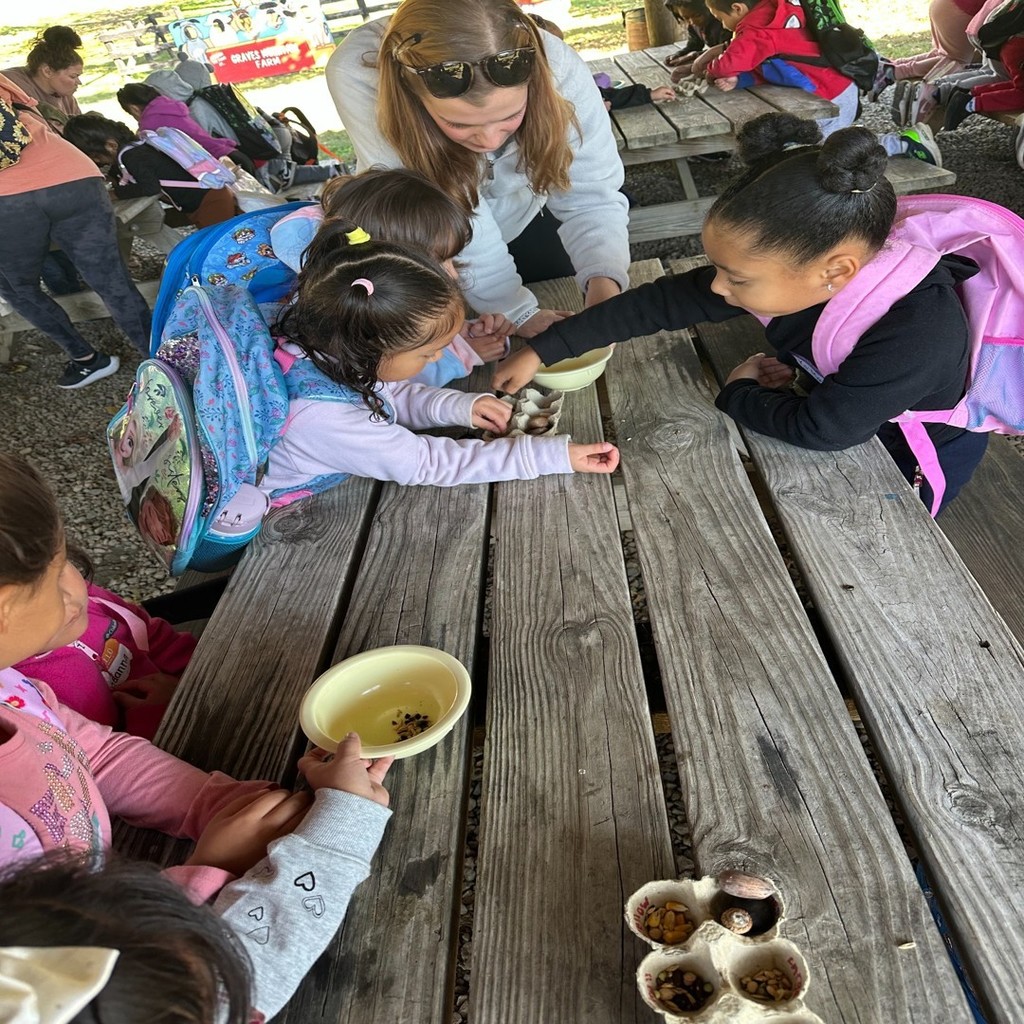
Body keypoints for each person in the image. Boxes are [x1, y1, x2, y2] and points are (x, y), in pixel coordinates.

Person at [0, 451, 394, 1021]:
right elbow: (187, 989)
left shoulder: (11, 683)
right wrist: (208, 871)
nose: (79, 582)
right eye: (59, 566)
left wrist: (215, 804)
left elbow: (90, 752)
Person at [493, 114, 989, 515]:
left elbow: (825, 429)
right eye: (718, 269)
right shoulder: (801, 270)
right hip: (851, 403)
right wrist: (545, 348)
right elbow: (661, 302)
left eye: (736, 277)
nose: (716, 286)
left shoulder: (917, 334)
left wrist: (738, 392)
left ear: (833, 272)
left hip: (911, 455)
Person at [326, 0, 631, 340]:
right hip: (430, 238)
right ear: (412, 96)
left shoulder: (557, 64)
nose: (488, 140)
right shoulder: (357, 72)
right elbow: (443, 208)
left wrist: (605, 287)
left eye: (510, 118)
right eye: (457, 123)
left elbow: (592, 196)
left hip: (523, 211)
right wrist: (517, 310)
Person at [256, 224, 619, 504]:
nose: (435, 358)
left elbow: (384, 395)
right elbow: (430, 463)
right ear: (370, 349)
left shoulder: (322, 340)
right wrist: (551, 456)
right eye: (426, 354)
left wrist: (462, 406)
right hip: (281, 509)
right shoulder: (322, 418)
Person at [270, 167, 513, 383]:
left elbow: (406, 336)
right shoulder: (343, 314)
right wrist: (464, 355)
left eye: (452, 259)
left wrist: (460, 332)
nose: (453, 276)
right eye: (441, 261)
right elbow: (393, 376)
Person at [0, 75, 151, 388]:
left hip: (10, 197)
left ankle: (86, 359)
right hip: (76, 175)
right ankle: (160, 358)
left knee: (18, 287)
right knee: (112, 280)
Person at [700, 0, 944, 163]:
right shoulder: (777, 12)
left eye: (719, 18)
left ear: (738, 8)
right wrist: (740, 79)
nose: (722, 24)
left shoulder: (758, 30)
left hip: (828, 97)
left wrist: (709, 67)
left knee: (826, 153)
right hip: (837, 86)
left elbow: (725, 65)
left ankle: (902, 143)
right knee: (819, 141)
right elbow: (778, 64)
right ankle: (851, 135)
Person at [11, 558, 197, 739]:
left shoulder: (89, 597)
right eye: (28, 598)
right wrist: (161, 712)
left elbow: (145, 631)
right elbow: (99, 760)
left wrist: (190, 678)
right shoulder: (24, 693)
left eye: (58, 568)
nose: (65, 596)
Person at [63, 113, 241, 230]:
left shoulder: (131, 157)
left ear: (110, 145)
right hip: (207, 198)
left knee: (223, 247)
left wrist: (114, 194)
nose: (96, 162)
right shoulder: (136, 147)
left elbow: (150, 188)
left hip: (209, 202)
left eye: (95, 157)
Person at [872, 0, 988, 119]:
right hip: (962, 11)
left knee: (942, 54)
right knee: (957, 61)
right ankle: (925, 92)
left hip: (943, 5)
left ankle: (893, 67)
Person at [116, 81, 257, 178]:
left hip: (222, 165)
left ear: (133, 108)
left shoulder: (149, 124)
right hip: (233, 155)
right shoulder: (170, 106)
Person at [1, 25, 83, 133]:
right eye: (73, 76)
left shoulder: (66, 97)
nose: (79, 82)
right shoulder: (10, 84)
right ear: (47, 71)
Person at [664, 0, 732, 79]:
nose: (692, 21)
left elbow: (726, 50)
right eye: (685, 17)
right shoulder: (694, 25)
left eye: (697, 15)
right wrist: (680, 54)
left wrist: (694, 55)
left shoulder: (723, 25)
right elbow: (695, 44)